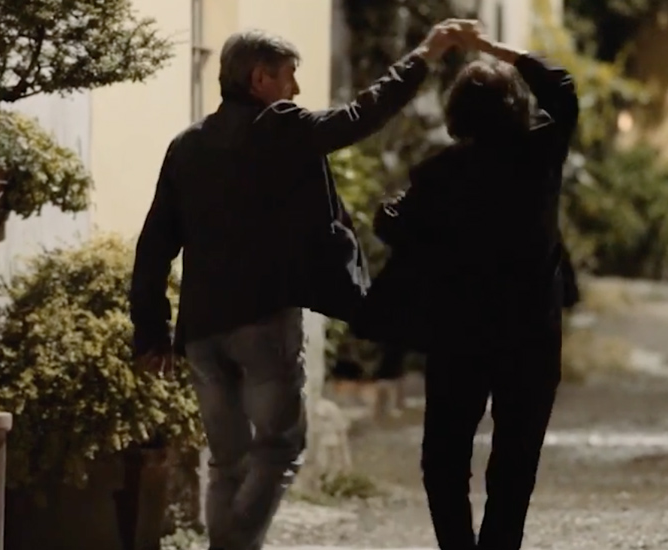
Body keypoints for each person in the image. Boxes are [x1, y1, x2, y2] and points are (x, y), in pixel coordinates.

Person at [128, 22, 475, 550]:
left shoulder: (186, 147)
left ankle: (229, 544)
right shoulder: (280, 126)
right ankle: (233, 546)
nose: (294, 90)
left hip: (201, 331)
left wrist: (151, 329)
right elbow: (363, 115)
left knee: (226, 460)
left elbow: (155, 245)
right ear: (260, 78)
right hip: (264, 321)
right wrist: (424, 56)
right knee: (279, 448)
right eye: (289, 77)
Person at [359, 25, 579, 550]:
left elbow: (396, 229)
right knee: (517, 454)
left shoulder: (439, 174)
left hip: (461, 332)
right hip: (532, 331)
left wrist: (389, 213)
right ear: (515, 109)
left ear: (458, 113)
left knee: (445, 455)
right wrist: (492, 49)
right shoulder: (540, 156)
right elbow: (563, 88)